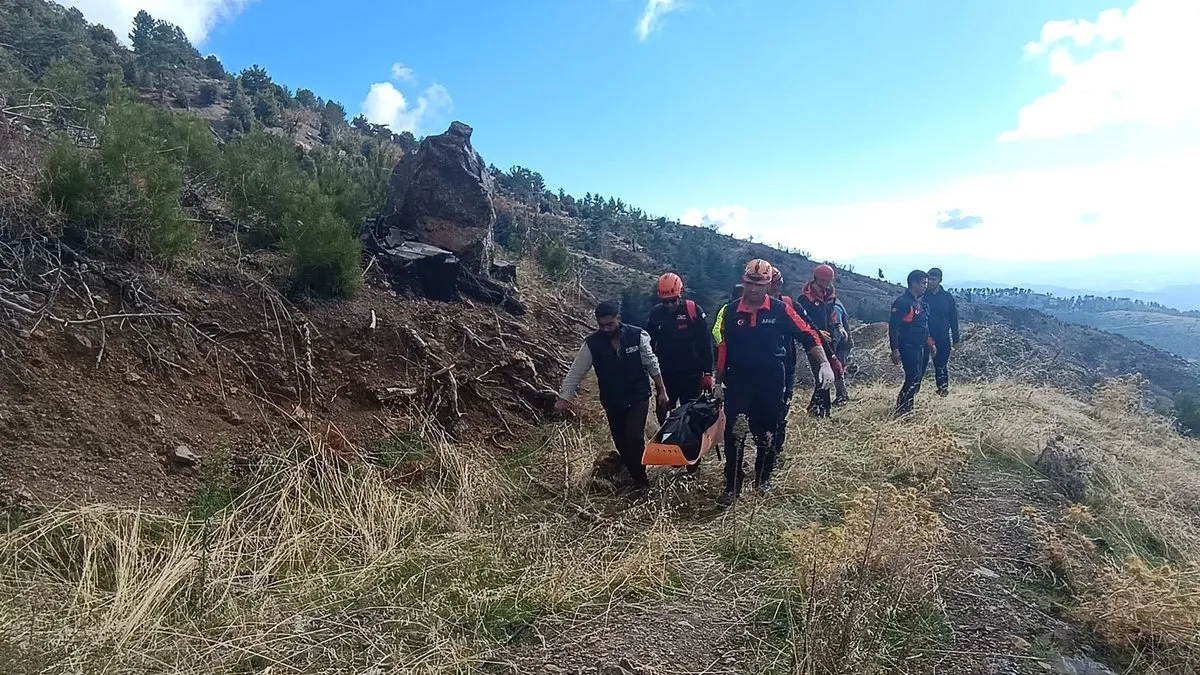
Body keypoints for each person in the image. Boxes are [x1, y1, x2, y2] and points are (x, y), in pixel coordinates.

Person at [714, 259, 834, 506]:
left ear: (769, 284)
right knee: (733, 434)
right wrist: (718, 381)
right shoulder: (731, 310)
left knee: (768, 432)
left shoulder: (780, 310)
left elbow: (808, 335)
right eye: (749, 283)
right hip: (738, 380)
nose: (753, 289)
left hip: (770, 379)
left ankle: (763, 479)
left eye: (760, 284)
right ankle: (732, 485)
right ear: (744, 282)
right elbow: (723, 346)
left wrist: (824, 363)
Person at [556, 301, 670, 489]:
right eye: (601, 325)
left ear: (619, 318)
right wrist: (564, 397)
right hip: (612, 399)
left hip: (638, 396)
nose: (606, 329)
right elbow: (576, 371)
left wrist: (662, 390)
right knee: (621, 441)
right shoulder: (592, 344)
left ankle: (641, 481)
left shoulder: (637, 336)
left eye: (610, 324)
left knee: (633, 437)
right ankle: (631, 472)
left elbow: (652, 364)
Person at [646, 273, 713, 425]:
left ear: (680, 295)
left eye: (673, 301)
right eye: (665, 302)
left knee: (691, 415)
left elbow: (704, 343)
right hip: (666, 374)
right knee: (663, 413)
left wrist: (707, 373)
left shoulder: (692, 310)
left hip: (691, 374)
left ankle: (689, 445)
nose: (669, 305)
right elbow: (649, 344)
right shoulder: (656, 313)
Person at [795, 264, 846, 417]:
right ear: (816, 279)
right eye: (824, 281)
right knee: (822, 373)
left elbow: (833, 314)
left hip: (830, 339)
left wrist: (838, 326)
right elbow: (804, 321)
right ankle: (825, 410)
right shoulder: (805, 299)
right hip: (813, 341)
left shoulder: (830, 295)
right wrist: (818, 332)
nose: (827, 284)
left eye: (829, 281)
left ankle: (814, 407)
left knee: (828, 373)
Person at [889, 270, 937, 416]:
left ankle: (908, 407)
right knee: (912, 377)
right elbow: (894, 327)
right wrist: (895, 349)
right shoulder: (903, 302)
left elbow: (923, 325)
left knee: (918, 378)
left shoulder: (920, 303)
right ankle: (902, 409)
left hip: (921, 346)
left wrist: (930, 343)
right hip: (908, 346)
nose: (925, 286)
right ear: (914, 283)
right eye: (923, 283)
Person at [923, 267, 960, 396]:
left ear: (940, 280)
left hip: (942, 337)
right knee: (920, 366)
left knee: (941, 365)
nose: (930, 282)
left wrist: (956, 339)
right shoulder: (922, 296)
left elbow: (953, 318)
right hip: (923, 337)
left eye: (934, 279)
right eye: (929, 279)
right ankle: (913, 392)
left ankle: (943, 390)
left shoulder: (947, 297)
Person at [831, 297, 853, 405]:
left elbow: (837, 329)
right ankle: (842, 395)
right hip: (843, 344)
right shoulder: (837, 303)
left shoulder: (835, 307)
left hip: (841, 345)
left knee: (838, 371)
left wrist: (831, 351)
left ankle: (842, 397)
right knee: (839, 371)